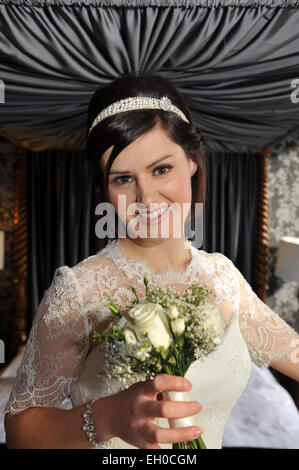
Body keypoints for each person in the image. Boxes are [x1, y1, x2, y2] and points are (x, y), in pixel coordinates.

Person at [4, 73, 299, 449]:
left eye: (161, 169)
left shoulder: (221, 275)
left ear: (192, 160)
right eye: (123, 179)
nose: (146, 197)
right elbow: (17, 431)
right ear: (103, 188)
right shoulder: (79, 291)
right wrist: (109, 416)